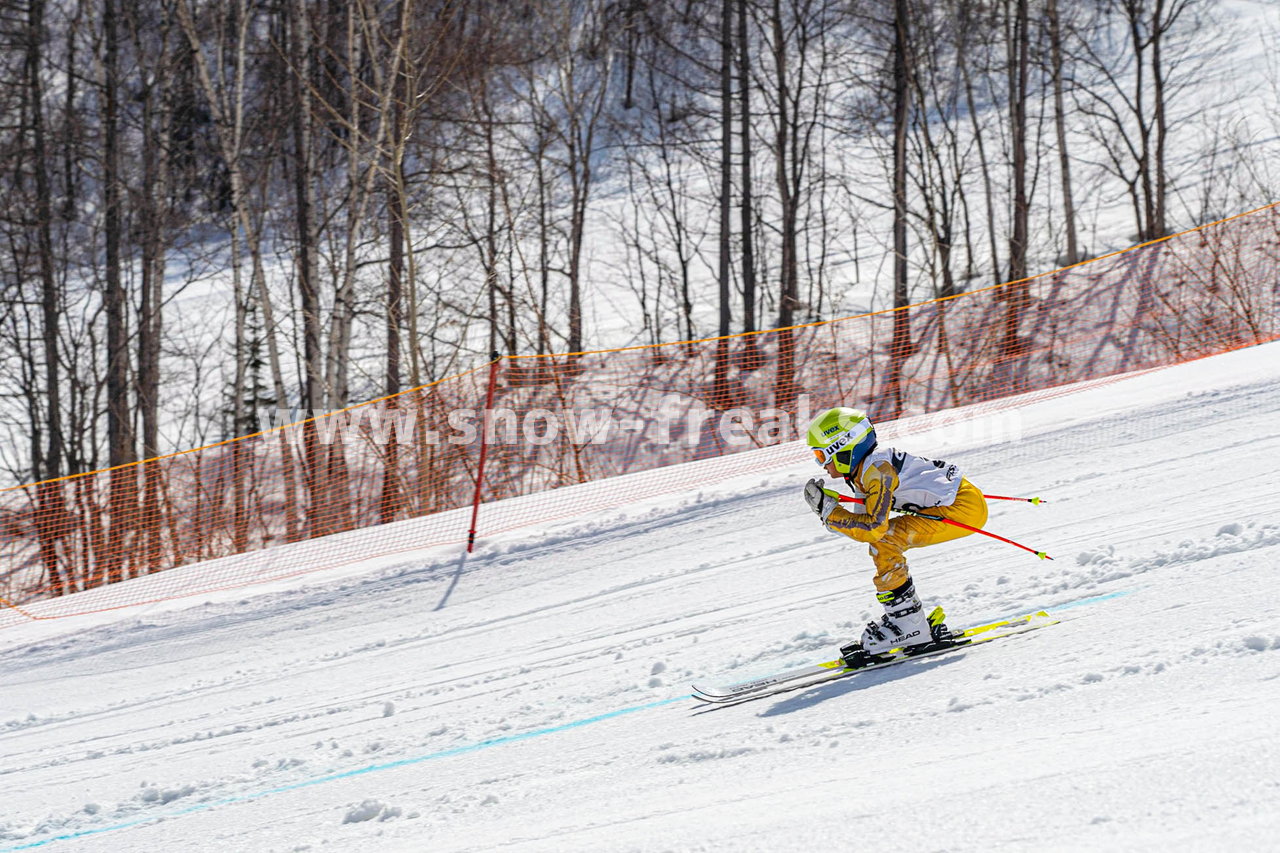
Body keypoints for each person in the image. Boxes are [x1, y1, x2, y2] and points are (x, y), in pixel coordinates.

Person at [801, 406, 989, 658]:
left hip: (963, 509)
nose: (821, 465)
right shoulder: (864, 471)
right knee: (884, 540)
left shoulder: (876, 471)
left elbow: (871, 528)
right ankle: (909, 622)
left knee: (887, 539)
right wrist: (828, 512)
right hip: (958, 502)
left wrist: (830, 512)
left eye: (821, 455)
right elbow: (858, 525)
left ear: (842, 447)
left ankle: (909, 626)